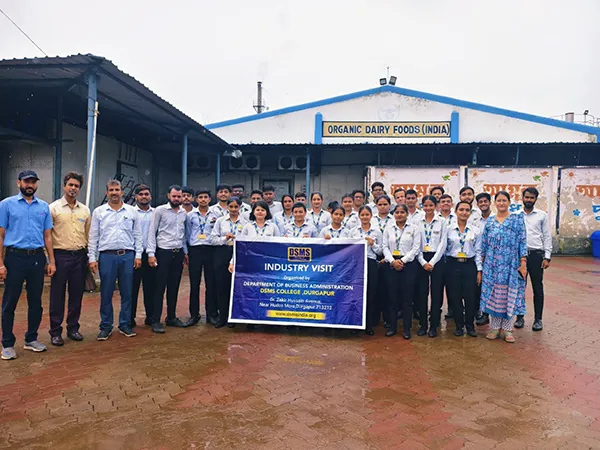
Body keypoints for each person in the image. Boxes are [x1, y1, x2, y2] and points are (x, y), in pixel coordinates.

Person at [0, 170, 55, 360]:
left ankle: (31, 339)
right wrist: (0, 264)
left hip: (37, 258)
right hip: (15, 257)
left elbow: (47, 236)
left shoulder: (44, 207)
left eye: (33, 182)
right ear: (19, 183)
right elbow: (1, 235)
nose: (29, 185)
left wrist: (51, 261)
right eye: (26, 181)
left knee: (36, 302)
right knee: (10, 301)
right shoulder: (6, 205)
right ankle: (7, 344)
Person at [88, 180, 142, 341]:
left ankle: (125, 324)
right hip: (107, 256)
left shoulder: (132, 211)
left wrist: (138, 255)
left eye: (117, 190)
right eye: (111, 190)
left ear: (121, 192)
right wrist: (92, 258)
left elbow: (138, 235)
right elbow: (93, 236)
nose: (114, 193)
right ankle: (106, 326)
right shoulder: (99, 212)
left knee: (127, 292)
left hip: (127, 255)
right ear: (107, 193)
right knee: (106, 292)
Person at [48, 172, 90, 346]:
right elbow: (47, 235)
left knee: (76, 295)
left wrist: (88, 257)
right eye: (70, 185)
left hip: (79, 256)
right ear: (64, 186)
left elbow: (88, 235)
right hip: (60, 256)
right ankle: (55, 332)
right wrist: (50, 260)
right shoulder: (53, 208)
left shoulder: (85, 210)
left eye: (76, 186)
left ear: (80, 189)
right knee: (57, 296)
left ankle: (73, 328)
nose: (73, 188)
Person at [480, 191, 527, 343]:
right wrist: (481, 265)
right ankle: (494, 327)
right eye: (499, 201)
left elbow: (522, 241)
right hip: (492, 265)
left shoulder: (516, 220)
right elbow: (484, 244)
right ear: (495, 203)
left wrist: (523, 262)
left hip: (511, 264)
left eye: (504, 200)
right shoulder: (490, 221)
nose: (501, 203)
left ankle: (507, 329)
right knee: (495, 296)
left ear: (509, 202)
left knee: (509, 296)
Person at [147, 185, 188, 333]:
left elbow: (183, 235)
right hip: (163, 252)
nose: (176, 199)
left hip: (178, 253)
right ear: (168, 196)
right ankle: (155, 320)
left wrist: (185, 253)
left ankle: (171, 317)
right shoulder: (160, 211)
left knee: (174, 286)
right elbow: (152, 232)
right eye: (174, 196)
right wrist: (151, 254)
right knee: (159, 288)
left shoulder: (183, 213)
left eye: (179, 196)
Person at [444, 201, 483, 337]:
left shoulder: (476, 231)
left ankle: (470, 326)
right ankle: (459, 326)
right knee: (455, 297)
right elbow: (444, 249)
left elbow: (478, 251)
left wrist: (479, 270)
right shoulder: (448, 229)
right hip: (452, 265)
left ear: (470, 213)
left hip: (469, 265)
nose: (464, 212)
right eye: (461, 209)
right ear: (456, 211)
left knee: (470, 297)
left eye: (467, 210)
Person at [382, 204, 421, 339]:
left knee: (407, 298)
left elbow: (416, 248)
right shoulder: (388, 228)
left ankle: (406, 329)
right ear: (394, 214)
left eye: (402, 212)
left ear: (407, 214)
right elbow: (385, 247)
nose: (399, 215)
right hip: (392, 265)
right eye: (397, 212)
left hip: (408, 265)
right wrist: (393, 261)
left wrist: (402, 261)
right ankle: (392, 327)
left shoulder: (414, 228)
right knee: (392, 297)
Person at [516, 187, 552, 331]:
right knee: (520, 288)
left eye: (532, 198)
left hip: (536, 255)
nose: (529, 200)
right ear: (522, 198)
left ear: (535, 199)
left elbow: (547, 236)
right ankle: (519, 317)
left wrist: (547, 256)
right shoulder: (516, 215)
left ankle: (538, 319)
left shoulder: (542, 215)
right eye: (527, 197)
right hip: (520, 257)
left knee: (537, 287)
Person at [210, 197, 247, 327]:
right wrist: (225, 238)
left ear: (240, 207)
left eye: (236, 207)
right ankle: (222, 317)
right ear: (227, 207)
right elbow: (212, 239)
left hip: (238, 254)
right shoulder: (220, 221)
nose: (233, 209)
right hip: (222, 253)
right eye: (231, 207)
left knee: (236, 287)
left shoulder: (245, 222)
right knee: (221, 286)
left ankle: (234, 317)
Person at [186, 188, 219, 327]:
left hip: (211, 250)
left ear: (210, 199)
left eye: (206, 197)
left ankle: (211, 314)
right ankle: (194, 314)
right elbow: (187, 233)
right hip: (195, 250)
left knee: (211, 284)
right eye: (200, 197)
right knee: (194, 283)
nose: (203, 199)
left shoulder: (216, 214)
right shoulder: (190, 215)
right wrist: (187, 251)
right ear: (196, 199)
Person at [416, 196, 447, 338]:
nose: (428, 208)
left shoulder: (442, 222)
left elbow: (443, 244)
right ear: (422, 206)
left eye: (431, 205)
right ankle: (423, 324)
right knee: (422, 293)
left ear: (436, 206)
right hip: (421, 259)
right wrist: (423, 262)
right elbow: (416, 244)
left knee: (436, 293)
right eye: (425, 205)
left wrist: (433, 262)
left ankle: (434, 325)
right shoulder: (417, 222)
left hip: (437, 259)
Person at [351, 206, 383, 335]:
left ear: (371, 216)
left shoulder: (377, 232)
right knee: (356, 294)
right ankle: (356, 324)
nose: (364, 217)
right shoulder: (353, 231)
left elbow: (380, 251)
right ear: (359, 216)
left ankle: (369, 325)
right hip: (356, 264)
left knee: (371, 294)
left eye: (367, 215)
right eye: (362, 215)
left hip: (371, 263)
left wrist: (372, 244)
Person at [131, 184, 155, 328]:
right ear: (136, 197)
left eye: (146, 194)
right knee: (132, 288)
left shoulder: (156, 213)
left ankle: (150, 317)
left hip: (151, 254)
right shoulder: (130, 212)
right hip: (134, 255)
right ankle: (130, 318)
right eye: (141, 194)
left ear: (150, 196)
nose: (144, 197)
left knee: (150, 287)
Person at [371, 195, 393, 329]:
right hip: (374, 256)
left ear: (389, 205)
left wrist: (388, 257)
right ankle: (374, 318)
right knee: (375, 288)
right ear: (376, 206)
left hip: (390, 256)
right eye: (380, 204)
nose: (383, 207)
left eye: (385, 204)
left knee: (388, 289)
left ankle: (388, 318)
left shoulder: (393, 219)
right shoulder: (371, 219)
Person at [474, 192, 493, 326]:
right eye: (480, 202)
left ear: (490, 202)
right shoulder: (476, 222)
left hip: (494, 257)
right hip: (480, 257)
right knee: (481, 286)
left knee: (494, 287)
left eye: (485, 201)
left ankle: (496, 316)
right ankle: (483, 313)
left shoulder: (496, 219)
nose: (483, 204)